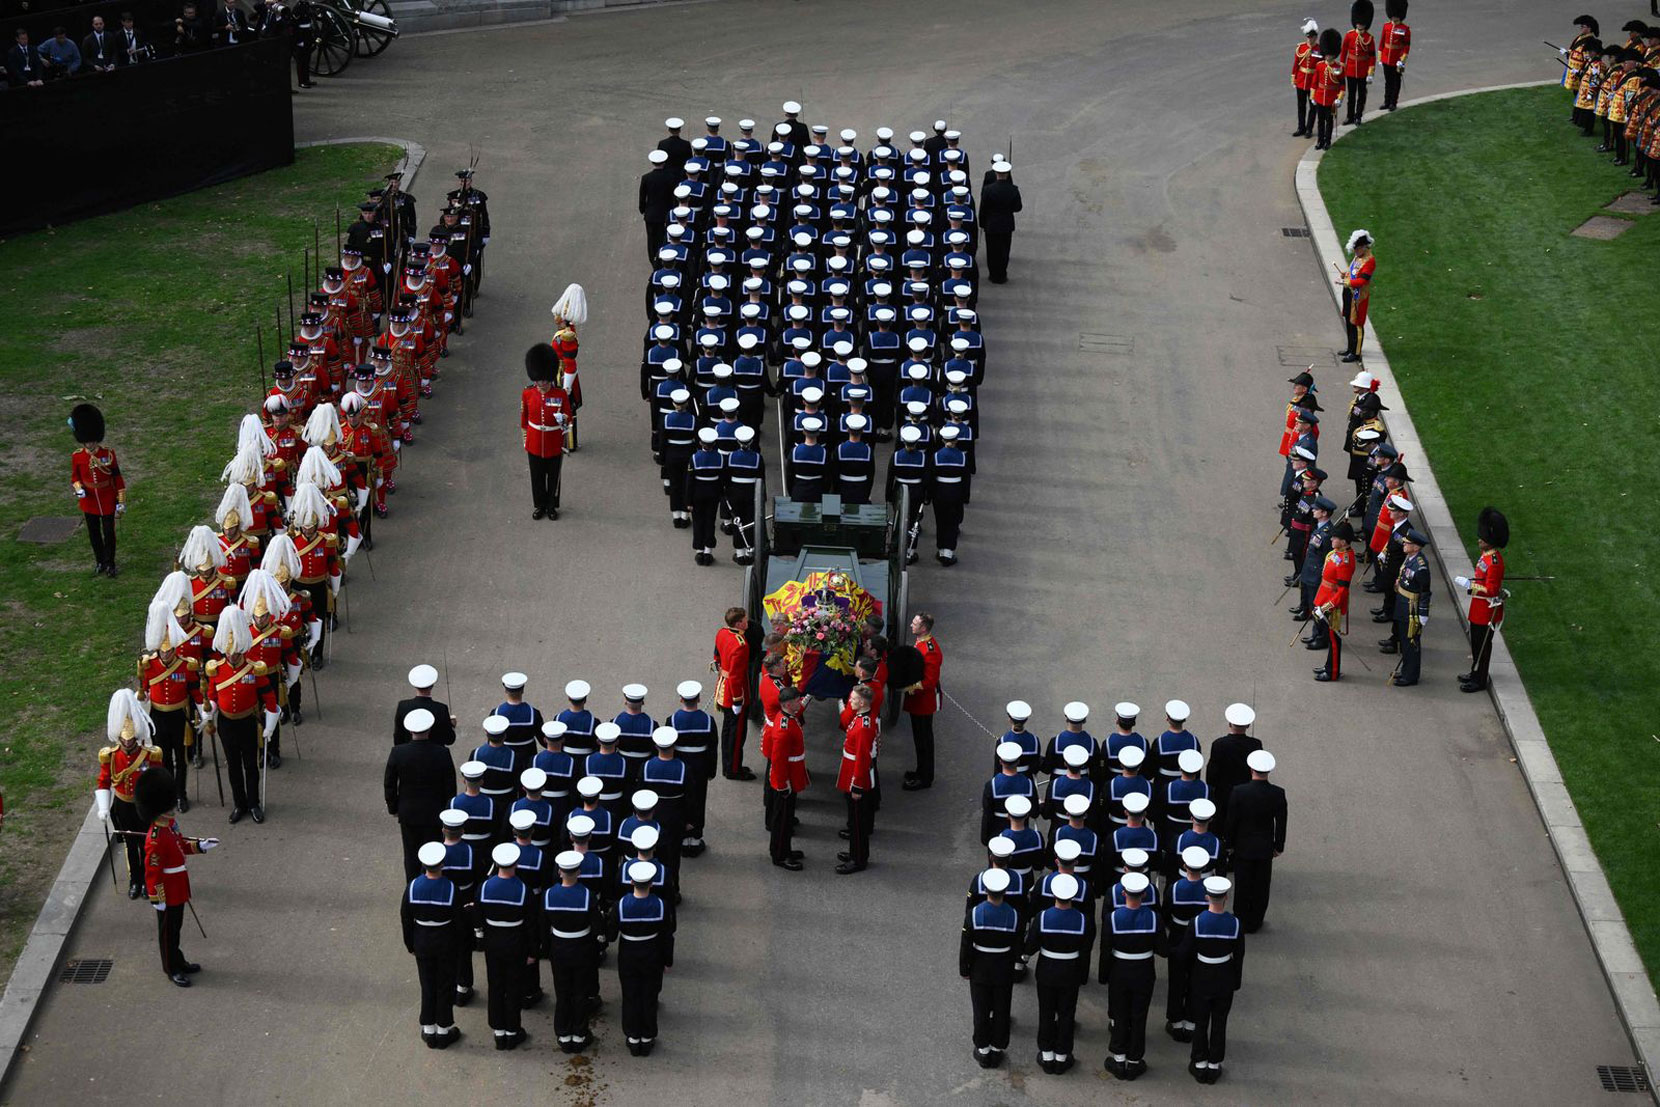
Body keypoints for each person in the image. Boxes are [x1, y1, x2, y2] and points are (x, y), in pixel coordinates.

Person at [136, 768, 218, 988]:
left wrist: (200, 846)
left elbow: (181, 847)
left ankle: (178, 960)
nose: (173, 810)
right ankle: (170, 968)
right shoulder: (154, 839)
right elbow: (152, 873)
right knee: (168, 933)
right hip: (167, 891)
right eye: (169, 807)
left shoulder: (169, 826)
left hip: (178, 886)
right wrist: (157, 897)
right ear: (158, 809)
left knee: (176, 928)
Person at [203, 607, 278, 824]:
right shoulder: (216, 670)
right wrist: (208, 713)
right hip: (226, 723)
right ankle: (239, 804)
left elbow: (270, 698)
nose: (232, 655)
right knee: (233, 766)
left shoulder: (254, 669)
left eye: (235, 652)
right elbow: (212, 697)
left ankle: (254, 803)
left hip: (247, 721)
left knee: (250, 765)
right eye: (229, 652)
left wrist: (270, 725)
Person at [1173, 876, 1245, 1084]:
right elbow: (1239, 955)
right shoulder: (1235, 924)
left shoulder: (1197, 922)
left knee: (1201, 1021)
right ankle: (1214, 1063)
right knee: (1220, 1022)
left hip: (1202, 975)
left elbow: (1185, 951)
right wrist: (1236, 981)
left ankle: (1199, 1062)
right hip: (1225, 975)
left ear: (1207, 898)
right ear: (1226, 897)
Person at [96, 690, 165, 899]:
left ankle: (147, 881)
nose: (127, 743)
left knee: (147, 846)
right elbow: (104, 781)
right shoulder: (111, 756)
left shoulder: (149, 755)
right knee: (130, 845)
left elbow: (157, 781)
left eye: (130, 739)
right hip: (123, 806)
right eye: (124, 740)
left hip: (142, 807)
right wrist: (103, 807)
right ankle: (135, 880)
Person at [1024, 873, 1094, 1075]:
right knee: (1066, 1013)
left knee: (1046, 1011)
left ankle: (1046, 1055)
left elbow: (1030, 946)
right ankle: (1062, 1056)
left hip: (1046, 970)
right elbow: (1086, 948)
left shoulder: (1043, 917)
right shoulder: (1083, 920)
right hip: (1071, 971)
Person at [137, 599, 201, 813]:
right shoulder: (150, 666)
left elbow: (194, 691)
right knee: (163, 759)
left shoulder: (185, 665)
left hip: (178, 717)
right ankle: (168, 795)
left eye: (169, 651)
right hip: (158, 716)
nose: (166, 654)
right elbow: (144, 691)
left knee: (181, 760)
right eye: (163, 651)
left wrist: (204, 712)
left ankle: (181, 794)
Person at [607, 860, 676, 1056]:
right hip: (652, 953)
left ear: (631, 882)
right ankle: (647, 1036)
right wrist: (667, 960)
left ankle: (632, 1036)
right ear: (651, 884)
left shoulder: (621, 905)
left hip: (628, 953)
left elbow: (611, 935)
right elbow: (667, 936)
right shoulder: (661, 906)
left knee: (630, 995)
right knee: (649, 995)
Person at [401, 841, 464, 1049]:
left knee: (427, 984)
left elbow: (405, 918)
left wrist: (410, 944)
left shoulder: (412, 887)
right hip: (445, 942)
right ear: (442, 863)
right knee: (445, 985)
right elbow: (458, 920)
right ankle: (444, 1030)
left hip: (422, 942)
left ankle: (429, 1029)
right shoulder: (451, 888)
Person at [1101, 871, 1161, 1081]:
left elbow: (1105, 949)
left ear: (1123, 893)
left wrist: (1103, 975)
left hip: (1119, 970)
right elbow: (1162, 949)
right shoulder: (1154, 918)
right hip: (1144, 970)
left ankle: (1118, 1058)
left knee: (1119, 1013)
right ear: (1144, 895)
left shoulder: (1112, 918)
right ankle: (1134, 1060)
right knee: (1139, 1015)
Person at [385, 708, 457, 880]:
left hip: (408, 810)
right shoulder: (442, 753)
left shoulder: (398, 753)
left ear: (410, 731)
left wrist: (393, 807)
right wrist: (448, 811)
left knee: (411, 854)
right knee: (434, 849)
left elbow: (389, 783)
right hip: (435, 810)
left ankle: (413, 887)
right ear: (430, 729)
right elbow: (450, 786)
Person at [542, 849, 602, 1053]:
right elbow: (597, 926)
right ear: (578, 872)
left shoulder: (549, 895)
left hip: (558, 947)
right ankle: (580, 1033)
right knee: (580, 992)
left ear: (560, 872)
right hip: (582, 947)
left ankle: (563, 1033)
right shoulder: (587, 895)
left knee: (562, 992)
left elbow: (544, 924)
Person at [960, 867, 1020, 1069]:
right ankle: (997, 1048)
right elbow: (1018, 945)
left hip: (980, 968)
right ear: (1004, 891)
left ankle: (983, 1050)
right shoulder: (1013, 915)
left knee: (981, 1009)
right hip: (1003, 967)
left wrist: (965, 969)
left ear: (986, 890)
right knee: (1002, 1009)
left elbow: (966, 943)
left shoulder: (975, 914)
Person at [476, 843, 535, 1050]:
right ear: (516, 863)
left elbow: (479, 916)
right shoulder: (523, 890)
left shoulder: (484, 887)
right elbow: (530, 925)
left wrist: (481, 938)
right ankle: (512, 1030)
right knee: (513, 987)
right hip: (515, 944)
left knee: (495, 985)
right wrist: (532, 951)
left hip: (493, 943)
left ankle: (498, 1031)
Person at [1223, 750, 1287, 933]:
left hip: (1243, 846)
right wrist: (1278, 846)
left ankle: (1241, 918)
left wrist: (1229, 843)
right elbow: (1281, 822)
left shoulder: (1239, 792)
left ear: (1250, 768)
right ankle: (1256, 919)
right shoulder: (1277, 793)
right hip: (1265, 847)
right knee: (1261, 885)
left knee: (1243, 883)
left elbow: (1231, 821)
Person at [1454, 507, 1508, 692]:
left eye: (1482, 538)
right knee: (1476, 644)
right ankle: (1475, 671)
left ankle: (1480, 679)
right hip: (1478, 608)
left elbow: (1492, 590)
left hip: (1486, 611)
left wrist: (1470, 585)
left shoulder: (1494, 562)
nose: (1479, 540)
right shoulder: (1486, 556)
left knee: (1483, 646)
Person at [69, 404, 126, 577]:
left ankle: (110, 563)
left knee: (109, 534)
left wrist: (121, 501)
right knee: (94, 534)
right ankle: (100, 561)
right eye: (87, 440)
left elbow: (117, 478)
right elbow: (75, 478)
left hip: (107, 499)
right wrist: (79, 490)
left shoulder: (108, 454)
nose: (90, 443)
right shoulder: (77, 456)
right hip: (89, 502)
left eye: (92, 440)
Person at [521, 344, 572, 520]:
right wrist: (526, 441)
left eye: (544, 380)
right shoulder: (527, 394)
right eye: (538, 380)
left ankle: (551, 506)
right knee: (537, 477)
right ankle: (540, 505)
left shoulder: (560, 395)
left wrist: (563, 420)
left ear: (550, 377)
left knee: (554, 477)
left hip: (554, 442)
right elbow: (524, 420)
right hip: (534, 442)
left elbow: (568, 419)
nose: (541, 384)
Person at [836, 685, 878, 874]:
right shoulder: (861, 719)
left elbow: (862, 758)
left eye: (852, 699)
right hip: (850, 770)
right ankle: (855, 851)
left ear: (861, 703)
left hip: (856, 776)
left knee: (857, 821)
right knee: (853, 820)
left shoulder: (863, 727)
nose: (850, 702)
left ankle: (858, 859)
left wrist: (857, 786)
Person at [710, 607, 754, 780]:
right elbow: (736, 677)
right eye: (744, 620)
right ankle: (733, 769)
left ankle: (729, 765)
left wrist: (721, 667)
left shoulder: (722, 633)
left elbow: (716, 655)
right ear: (738, 623)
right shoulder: (740, 645)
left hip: (723, 686)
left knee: (728, 730)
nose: (747, 622)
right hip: (734, 693)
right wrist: (738, 701)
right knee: (736, 735)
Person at [900, 612, 942, 791]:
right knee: (919, 739)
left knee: (924, 741)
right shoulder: (922, 643)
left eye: (915, 623)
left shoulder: (930, 650)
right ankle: (920, 771)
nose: (911, 625)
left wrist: (907, 688)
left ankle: (925, 778)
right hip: (918, 701)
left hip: (923, 702)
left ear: (923, 628)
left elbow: (929, 682)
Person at [767, 688, 808, 870]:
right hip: (785, 780)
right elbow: (778, 760)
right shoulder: (783, 729)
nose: (799, 703)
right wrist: (783, 784)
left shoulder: (788, 718)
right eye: (797, 701)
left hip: (791, 775)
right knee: (782, 820)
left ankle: (786, 849)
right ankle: (780, 855)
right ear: (787, 704)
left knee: (787, 817)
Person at [1312, 520, 1358, 682]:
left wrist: (1326, 607)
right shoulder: (1337, 553)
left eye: (1335, 538)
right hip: (1325, 598)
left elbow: (1342, 590)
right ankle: (1328, 665)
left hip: (1334, 606)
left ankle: (1333, 672)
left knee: (1334, 640)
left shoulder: (1345, 560)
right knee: (1330, 637)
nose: (1331, 540)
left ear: (1343, 541)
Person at [1205, 704, 1260, 827]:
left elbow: (1211, 775)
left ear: (1229, 723)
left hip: (1223, 795)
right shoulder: (1255, 745)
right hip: (1247, 795)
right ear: (1248, 725)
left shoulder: (1219, 744)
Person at [1390, 528, 1432, 686]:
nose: (1404, 544)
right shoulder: (1409, 558)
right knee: (1404, 639)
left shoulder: (1420, 566)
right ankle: (1406, 669)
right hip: (1402, 603)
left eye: (1408, 543)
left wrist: (1423, 613)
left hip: (1412, 608)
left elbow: (1425, 591)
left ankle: (1411, 675)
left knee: (1411, 641)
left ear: (1416, 547)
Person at [392, 664, 457, 746]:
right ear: (432, 685)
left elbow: (398, 739)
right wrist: (452, 725)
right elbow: (449, 740)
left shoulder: (403, 706)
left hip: (408, 755)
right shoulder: (441, 709)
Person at [979, 163, 1023, 284]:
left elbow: (983, 208)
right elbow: (1018, 207)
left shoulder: (988, 190)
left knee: (992, 250)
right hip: (1006, 224)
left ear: (996, 174)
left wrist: (982, 223)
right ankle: (1002, 274)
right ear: (1007, 174)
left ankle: (993, 274)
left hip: (991, 224)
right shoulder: (1013, 189)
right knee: (1004, 249)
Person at [1337, 229, 1376, 363]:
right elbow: (1353, 271)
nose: (1356, 251)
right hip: (1349, 293)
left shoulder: (1369, 261)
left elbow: (1363, 280)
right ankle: (1350, 348)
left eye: (1358, 248)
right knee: (1348, 321)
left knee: (1357, 324)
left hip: (1359, 297)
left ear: (1364, 247)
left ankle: (1356, 352)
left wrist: (1348, 282)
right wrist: (1345, 274)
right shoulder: (1358, 257)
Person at [1340, 1, 1376, 125]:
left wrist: (1370, 72)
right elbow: (1344, 51)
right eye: (1358, 22)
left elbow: (1372, 57)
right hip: (1350, 69)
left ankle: (1358, 116)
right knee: (1351, 96)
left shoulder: (1369, 38)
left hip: (1362, 71)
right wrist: (1342, 65)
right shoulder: (1349, 35)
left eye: (1362, 23)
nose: (1360, 24)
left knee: (1361, 95)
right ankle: (1349, 116)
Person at [640, 150, 678, 263]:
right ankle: (664, 259)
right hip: (665, 213)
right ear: (664, 162)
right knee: (664, 238)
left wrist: (642, 209)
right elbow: (673, 197)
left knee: (651, 240)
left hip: (651, 214)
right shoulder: (671, 177)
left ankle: (653, 260)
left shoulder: (646, 178)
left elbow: (642, 196)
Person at [1310, 29, 1345, 149]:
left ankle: (1327, 141)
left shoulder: (1339, 68)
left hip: (1331, 100)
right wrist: (1312, 96)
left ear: (1334, 54)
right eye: (1327, 54)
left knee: (1329, 122)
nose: (1328, 56)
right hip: (1320, 97)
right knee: (1320, 122)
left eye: (1330, 54)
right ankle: (1320, 141)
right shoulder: (1319, 65)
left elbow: (1342, 86)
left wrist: (1339, 99)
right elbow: (1314, 83)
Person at [1378, 0, 1410, 110]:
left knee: (1396, 82)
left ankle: (1393, 102)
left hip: (1397, 60)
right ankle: (1386, 101)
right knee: (1388, 82)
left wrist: (1402, 60)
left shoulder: (1405, 29)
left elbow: (1406, 47)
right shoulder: (1386, 26)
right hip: (1386, 58)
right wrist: (1380, 58)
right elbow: (1382, 43)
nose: (1394, 19)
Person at [1292, 19, 1321, 136]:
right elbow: (1296, 64)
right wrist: (1294, 77)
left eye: (1312, 37)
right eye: (1308, 37)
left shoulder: (1320, 50)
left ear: (1316, 37)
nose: (1310, 39)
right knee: (1301, 106)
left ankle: (1309, 129)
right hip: (1301, 80)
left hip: (1313, 82)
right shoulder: (1301, 48)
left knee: (1313, 106)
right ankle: (1301, 128)